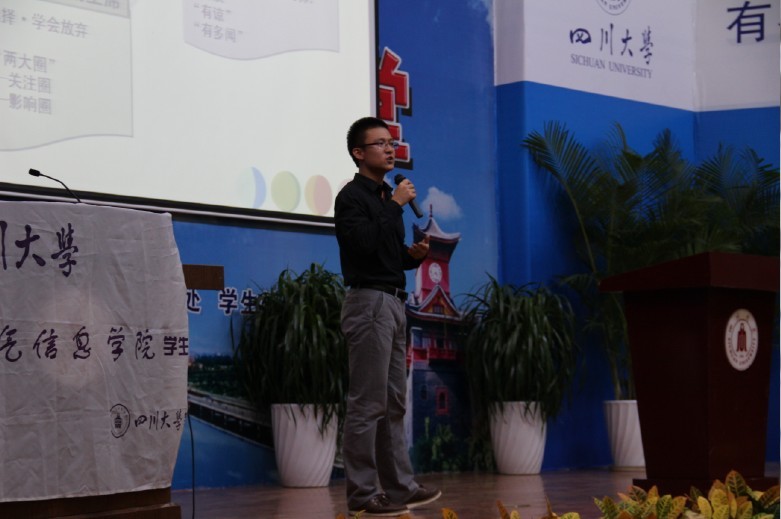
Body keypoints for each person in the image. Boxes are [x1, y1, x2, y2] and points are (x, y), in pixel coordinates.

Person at [334, 117, 441, 517]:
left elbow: (384, 255)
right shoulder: (352, 197)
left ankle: (400, 488)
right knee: (367, 403)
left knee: (393, 403)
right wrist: (395, 205)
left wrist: (412, 258)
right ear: (359, 153)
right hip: (369, 304)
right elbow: (361, 245)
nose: (390, 148)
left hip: (394, 303)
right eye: (379, 143)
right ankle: (363, 496)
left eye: (391, 142)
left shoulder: (385, 197)